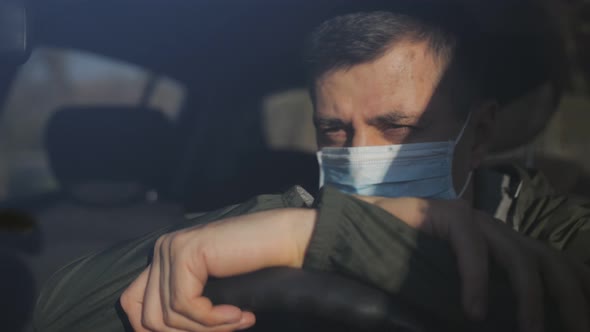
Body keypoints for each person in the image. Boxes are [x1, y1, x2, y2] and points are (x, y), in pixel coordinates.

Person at [34, 9, 590, 332]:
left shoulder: (557, 230)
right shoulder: (286, 213)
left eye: (398, 128)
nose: (359, 153)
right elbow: (58, 310)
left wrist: (321, 235)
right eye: (334, 130)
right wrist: (294, 225)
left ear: (482, 134)